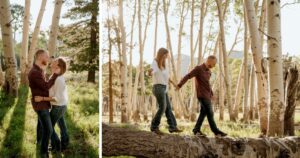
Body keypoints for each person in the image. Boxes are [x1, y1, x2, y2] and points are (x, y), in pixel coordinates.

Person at [176, 55, 227, 137]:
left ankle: (196, 130)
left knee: (203, 113)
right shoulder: (198, 69)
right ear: (209, 61)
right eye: (213, 64)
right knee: (210, 113)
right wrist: (180, 84)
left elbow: (207, 84)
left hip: (207, 95)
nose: (214, 66)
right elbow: (188, 76)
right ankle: (216, 131)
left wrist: (212, 94)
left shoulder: (209, 72)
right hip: (201, 95)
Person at [28, 49, 60, 157]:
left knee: (40, 125)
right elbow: (46, 86)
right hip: (40, 105)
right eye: (46, 57)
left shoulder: (39, 70)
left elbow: (43, 85)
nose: (48, 59)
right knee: (49, 130)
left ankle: (39, 142)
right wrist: (55, 75)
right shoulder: (35, 72)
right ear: (40, 57)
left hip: (41, 103)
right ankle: (44, 152)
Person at [35, 57, 69, 152]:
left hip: (58, 106)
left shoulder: (59, 80)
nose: (51, 63)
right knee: (62, 125)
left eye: (54, 63)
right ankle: (65, 143)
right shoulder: (54, 76)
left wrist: (42, 98)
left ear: (59, 67)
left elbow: (56, 98)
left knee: (49, 127)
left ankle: (56, 147)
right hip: (60, 105)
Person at [150, 48, 182, 135]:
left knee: (168, 108)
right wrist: (149, 72)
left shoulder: (163, 65)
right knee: (163, 107)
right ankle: (154, 127)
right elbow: (152, 71)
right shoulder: (155, 62)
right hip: (158, 87)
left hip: (164, 88)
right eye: (166, 55)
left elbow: (167, 77)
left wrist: (174, 84)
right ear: (162, 54)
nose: (167, 56)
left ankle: (173, 127)